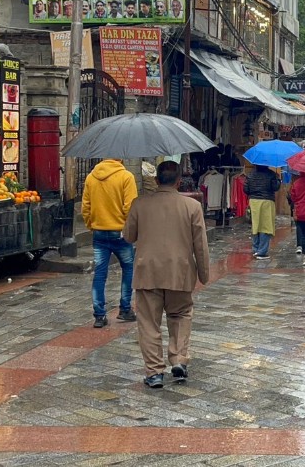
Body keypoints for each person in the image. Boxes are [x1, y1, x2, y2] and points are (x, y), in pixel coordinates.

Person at [123, 161, 209, 389]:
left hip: (148, 272)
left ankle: (154, 372)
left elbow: (128, 236)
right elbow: (200, 245)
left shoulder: (139, 204)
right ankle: (178, 359)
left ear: (156, 180)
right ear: (179, 181)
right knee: (180, 315)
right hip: (180, 272)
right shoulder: (192, 206)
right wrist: (203, 273)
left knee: (148, 323)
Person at [81, 159, 138, 328]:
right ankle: (125, 308)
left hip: (99, 231)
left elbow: (86, 206)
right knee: (128, 268)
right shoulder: (126, 177)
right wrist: (130, 228)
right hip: (120, 232)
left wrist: (91, 224)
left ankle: (99, 315)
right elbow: (130, 208)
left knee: (100, 273)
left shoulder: (91, 177)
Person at [246, 163, 280, 260]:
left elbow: (246, 189)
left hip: (254, 201)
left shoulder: (250, 175)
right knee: (266, 226)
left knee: (256, 225)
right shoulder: (271, 174)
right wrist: (278, 179)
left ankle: (255, 249)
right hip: (267, 201)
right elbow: (275, 188)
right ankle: (262, 252)